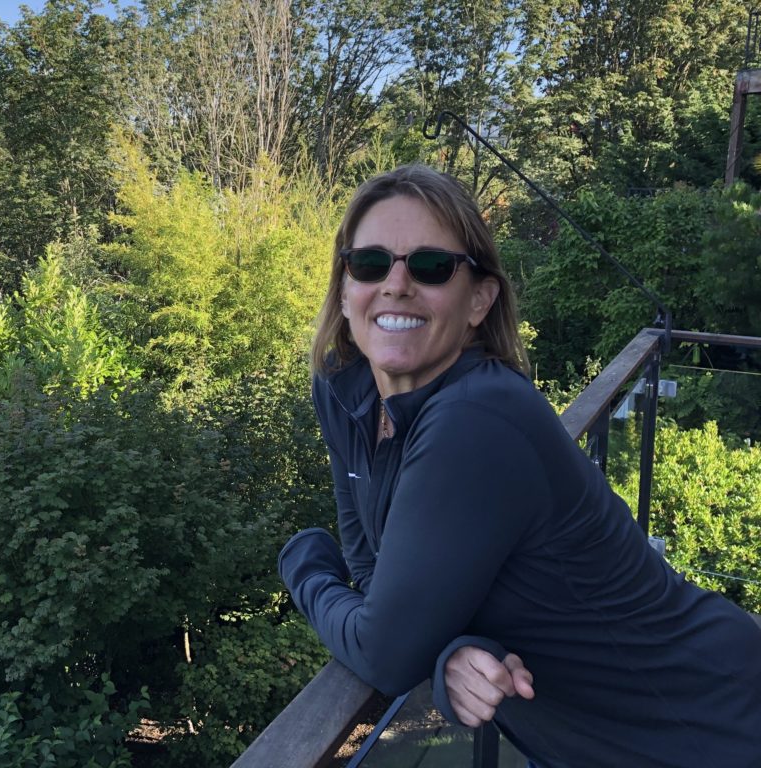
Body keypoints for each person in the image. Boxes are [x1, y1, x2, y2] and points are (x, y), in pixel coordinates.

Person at [278, 163, 761, 767]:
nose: (396, 284)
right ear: (346, 288)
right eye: (370, 263)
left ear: (479, 299)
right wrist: (449, 647)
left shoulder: (476, 417)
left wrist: (303, 563)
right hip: (584, 739)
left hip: (705, 727)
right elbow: (375, 569)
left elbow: (384, 651)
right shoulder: (346, 392)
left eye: (431, 267)